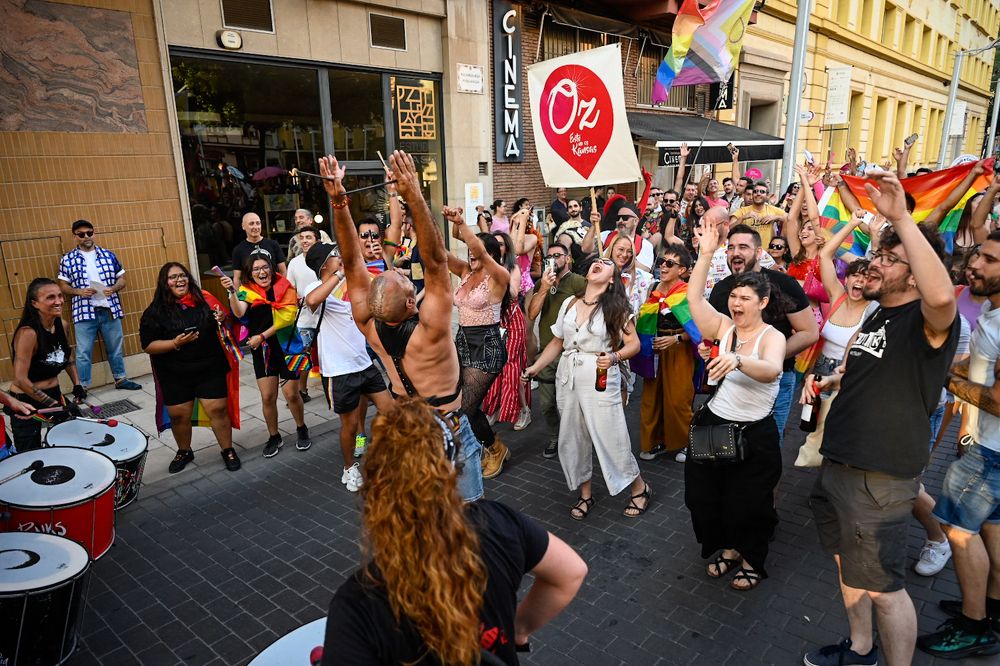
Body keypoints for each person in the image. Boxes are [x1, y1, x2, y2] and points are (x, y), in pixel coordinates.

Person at [804, 171, 959, 666]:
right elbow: (863, 363)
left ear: (914, 272)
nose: (875, 263)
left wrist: (900, 219)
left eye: (891, 259)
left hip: (881, 477)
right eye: (879, 253)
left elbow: (941, 299)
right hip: (841, 462)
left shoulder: (927, 322)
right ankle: (860, 647)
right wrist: (836, 380)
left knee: (886, 588)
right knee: (850, 567)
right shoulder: (878, 312)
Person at [321, 397, 587, 665]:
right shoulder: (498, 523)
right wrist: (520, 628)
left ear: (375, 486)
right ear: (454, 471)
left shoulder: (357, 605)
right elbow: (570, 573)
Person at [318, 150, 484, 502]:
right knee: (470, 524)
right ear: (412, 303)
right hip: (449, 434)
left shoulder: (368, 325)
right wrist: (414, 194)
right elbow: (437, 260)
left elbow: (351, 261)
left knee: (424, 521)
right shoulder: (432, 333)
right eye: (407, 284)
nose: (401, 273)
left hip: (409, 434)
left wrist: (339, 203)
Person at [685, 213, 786, 592]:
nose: (737, 302)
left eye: (745, 298)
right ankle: (726, 547)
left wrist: (738, 360)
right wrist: (706, 255)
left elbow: (772, 369)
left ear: (762, 302)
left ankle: (750, 560)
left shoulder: (770, 335)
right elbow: (693, 298)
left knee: (748, 504)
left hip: (754, 434)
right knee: (705, 498)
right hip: (715, 423)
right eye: (733, 297)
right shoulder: (725, 327)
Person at [917, 229, 1000, 659]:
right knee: (993, 528)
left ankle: (973, 626)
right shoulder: (990, 308)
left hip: (992, 451)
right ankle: (992, 609)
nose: (975, 264)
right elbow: (985, 364)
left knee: (960, 532)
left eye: (989, 260)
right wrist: (963, 365)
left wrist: (950, 381)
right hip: (990, 447)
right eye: (978, 255)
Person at [523, 255, 651, 520]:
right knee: (572, 436)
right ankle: (585, 494)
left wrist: (615, 357)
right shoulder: (570, 303)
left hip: (600, 375)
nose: (599, 263)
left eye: (606, 264)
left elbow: (634, 345)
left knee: (610, 435)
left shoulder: (616, 307)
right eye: (597, 261)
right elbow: (558, 342)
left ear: (612, 278)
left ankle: (639, 488)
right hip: (568, 374)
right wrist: (535, 367)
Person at [708, 219, 817, 441]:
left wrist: (768, 357)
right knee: (727, 446)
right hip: (729, 380)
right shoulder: (721, 289)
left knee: (765, 448)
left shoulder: (783, 284)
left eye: (743, 247)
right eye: (731, 247)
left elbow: (809, 332)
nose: (735, 253)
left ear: (758, 252)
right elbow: (715, 334)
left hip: (776, 380)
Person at [303, 243, 393, 493]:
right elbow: (311, 301)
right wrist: (340, 274)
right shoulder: (315, 288)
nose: (340, 256)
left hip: (363, 363)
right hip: (339, 371)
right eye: (335, 255)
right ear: (323, 264)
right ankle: (349, 468)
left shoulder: (352, 283)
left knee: (390, 411)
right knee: (350, 426)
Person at [793, 211, 876, 468]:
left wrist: (874, 233)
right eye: (855, 275)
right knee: (815, 426)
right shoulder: (837, 295)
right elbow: (826, 254)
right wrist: (852, 223)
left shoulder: (874, 309)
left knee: (839, 431)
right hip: (820, 371)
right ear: (847, 278)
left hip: (849, 374)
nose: (859, 281)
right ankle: (825, 479)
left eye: (866, 278)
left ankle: (831, 484)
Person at [140, 263, 241, 473]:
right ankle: (184, 451)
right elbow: (148, 345)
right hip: (174, 372)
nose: (179, 280)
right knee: (179, 415)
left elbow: (227, 322)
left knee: (218, 410)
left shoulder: (204, 300)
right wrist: (175, 343)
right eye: (173, 277)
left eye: (182, 275)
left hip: (209, 366)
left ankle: (228, 449)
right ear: (164, 283)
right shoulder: (154, 312)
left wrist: (222, 319)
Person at [220, 253, 311, 457]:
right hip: (263, 351)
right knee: (268, 397)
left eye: (265, 267)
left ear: (271, 268)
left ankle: (301, 428)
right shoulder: (246, 291)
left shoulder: (284, 287)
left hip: (286, 347)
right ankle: (274, 436)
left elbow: (287, 319)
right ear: (250, 274)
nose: (262, 272)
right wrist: (230, 292)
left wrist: (261, 336)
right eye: (256, 269)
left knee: (291, 395)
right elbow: (239, 313)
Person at [446, 210, 512, 480]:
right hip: (462, 341)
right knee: (464, 405)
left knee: (466, 408)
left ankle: (494, 449)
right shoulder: (464, 270)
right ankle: (486, 445)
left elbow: (481, 254)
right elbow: (439, 253)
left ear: (492, 255)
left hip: (486, 347)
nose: (472, 256)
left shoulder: (499, 278)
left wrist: (462, 225)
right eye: (471, 251)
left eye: (479, 252)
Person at [57, 219, 141, 392]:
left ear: (94, 233)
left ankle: (121, 379)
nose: (86, 236)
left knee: (115, 347)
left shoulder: (109, 255)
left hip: (110, 308)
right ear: (75, 237)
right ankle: (83, 386)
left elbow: (122, 279)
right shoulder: (67, 259)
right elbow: (62, 285)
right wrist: (79, 291)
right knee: (83, 352)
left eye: (89, 232)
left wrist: (114, 288)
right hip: (84, 311)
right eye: (81, 234)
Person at [526, 242, 587, 459]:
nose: (553, 259)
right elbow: (532, 314)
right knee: (547, 404)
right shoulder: (542, 284)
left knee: (572, 403)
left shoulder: (579, 282)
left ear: (568, 258)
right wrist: (543, 287)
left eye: (558, 255)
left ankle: (576, 440)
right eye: (549, 256)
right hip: (547, 352)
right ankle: (555, 436)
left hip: (572, 351)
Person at [7, 278, 83, 451]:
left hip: (54, 394)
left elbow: (67, 357)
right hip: (25, 400)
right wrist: (53, 405)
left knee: (68, 444)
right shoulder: (28, 333)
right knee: (29, 453)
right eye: (50, 297)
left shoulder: (62, 325)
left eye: (60, 296)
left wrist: (77, 384)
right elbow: (20, 379)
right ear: (34, 303)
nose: (58, 301)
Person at [638, 247, 696, 463]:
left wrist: (676, 339)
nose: (663, 266)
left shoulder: (689, 291)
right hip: (653, 350)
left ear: (682, 270)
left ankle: (684, 443)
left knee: (679, 399)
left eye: (670, 263)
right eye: (662, 261)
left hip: (678, 349)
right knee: (651, 399)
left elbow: (699, 327)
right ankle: (654, 442)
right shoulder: (653, 287)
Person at [482, 232, 531, 431]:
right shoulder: (483, 268)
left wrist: (498, 275)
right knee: (494, 365)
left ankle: (523, 410)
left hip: (512, 320)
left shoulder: (512, 267)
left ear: (507, 248)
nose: (498, 248)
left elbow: (513, 294)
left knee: (512, 366)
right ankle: (493, 407)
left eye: (501, 244)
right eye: (495, 245)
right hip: (493, 321)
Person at [285, 225, 323, 403]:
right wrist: (296, 298)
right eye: (302, 237)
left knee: (326, 353)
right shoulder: (294, 263)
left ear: (317, 239)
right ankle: (302, 390)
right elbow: (289, 289)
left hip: (326, 316)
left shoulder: (326, 260)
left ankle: (332, 386)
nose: (305, 240)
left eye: (309, 237)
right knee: (304, 354)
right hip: (304, 318)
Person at [586, 201, 655, 272]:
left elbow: (646, 270)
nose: (620, 220)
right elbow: (586, 249)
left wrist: (626, 257)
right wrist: (593, 226)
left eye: (625, 217)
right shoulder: (606, 235)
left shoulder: (645, 244)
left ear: (636, 221)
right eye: (618, 217)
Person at [231, 212, 286, 285]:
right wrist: (240, 296)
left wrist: (281, 289)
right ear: (243, 226)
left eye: (258, 223)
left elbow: (283, 271)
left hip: (274, 291)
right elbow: (237, 278)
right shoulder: (238, 250)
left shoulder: (273, 244)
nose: (256, 227)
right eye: (251, 224)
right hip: (250, 293)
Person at [730, 182, 787, 248]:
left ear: (767, 195)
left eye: (762, 192)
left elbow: (791, 219)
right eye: (755, 191)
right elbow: (729, 229)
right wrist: (742, 218)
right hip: (747, 253)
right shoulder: (742, 211)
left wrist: (776, 217)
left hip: (768, 253)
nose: (758, 194)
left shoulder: (772, 210)